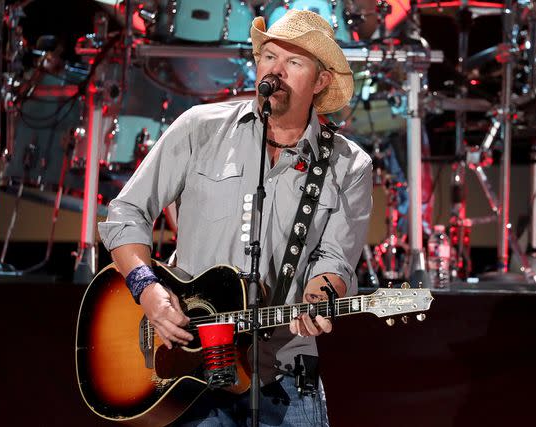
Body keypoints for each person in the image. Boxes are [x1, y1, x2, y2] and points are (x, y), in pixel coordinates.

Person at [98, 9, 372, 426]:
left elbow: (335, 259)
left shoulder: (348, 164)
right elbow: (126, 211)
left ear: (320, 82)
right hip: (190, 373)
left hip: (284, 376)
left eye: (294, 62)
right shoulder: (199, 128)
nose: (275, 71)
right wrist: (147, 289)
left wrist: (319, 297)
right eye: (269, 57)